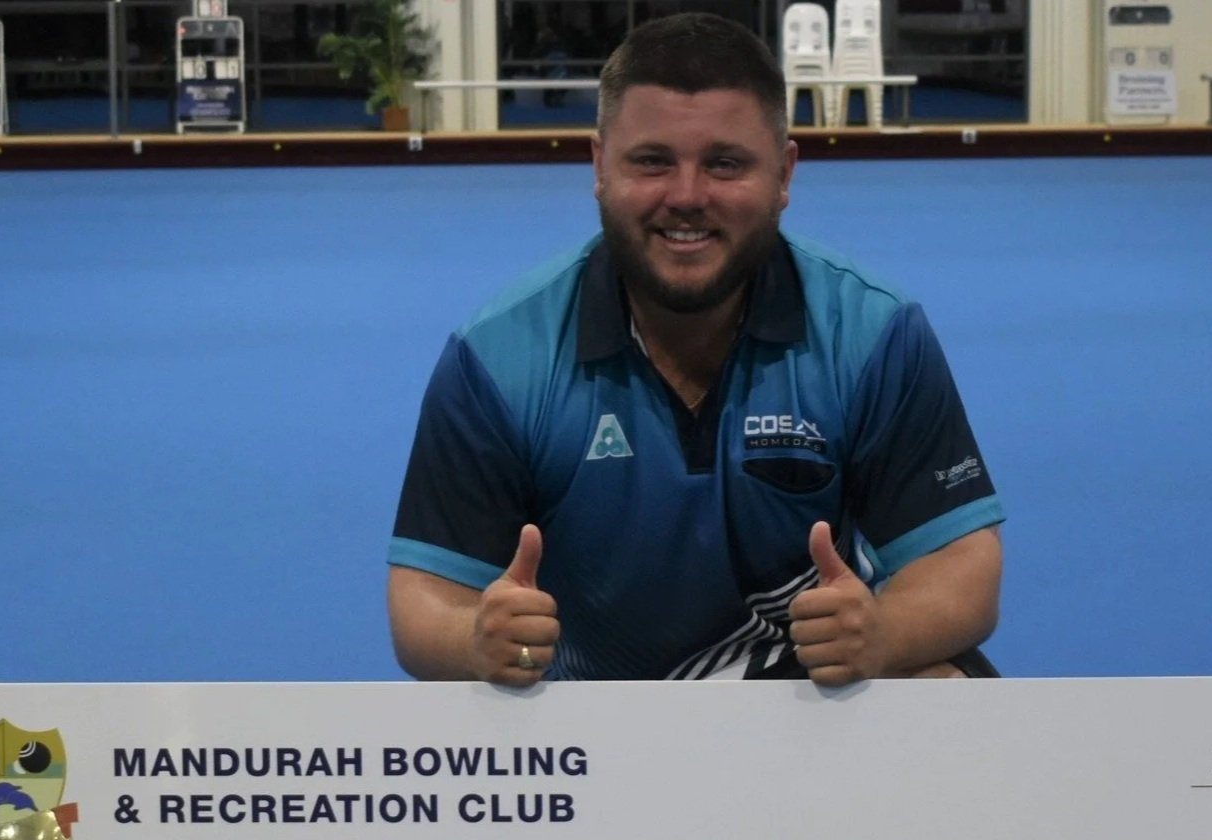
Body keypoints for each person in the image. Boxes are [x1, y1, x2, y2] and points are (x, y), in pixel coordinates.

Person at [387, 13, 1003, 685]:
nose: (686, 196)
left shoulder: (872, 333)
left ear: (785, 173)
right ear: (598, 166)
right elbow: (424, 601)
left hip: (803, 700)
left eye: (725, 164)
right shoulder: (499, 356)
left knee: (946, 682)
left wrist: (882, 634)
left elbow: (962, 565)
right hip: (588, 725)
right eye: (652, 161)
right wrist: (476, 639)